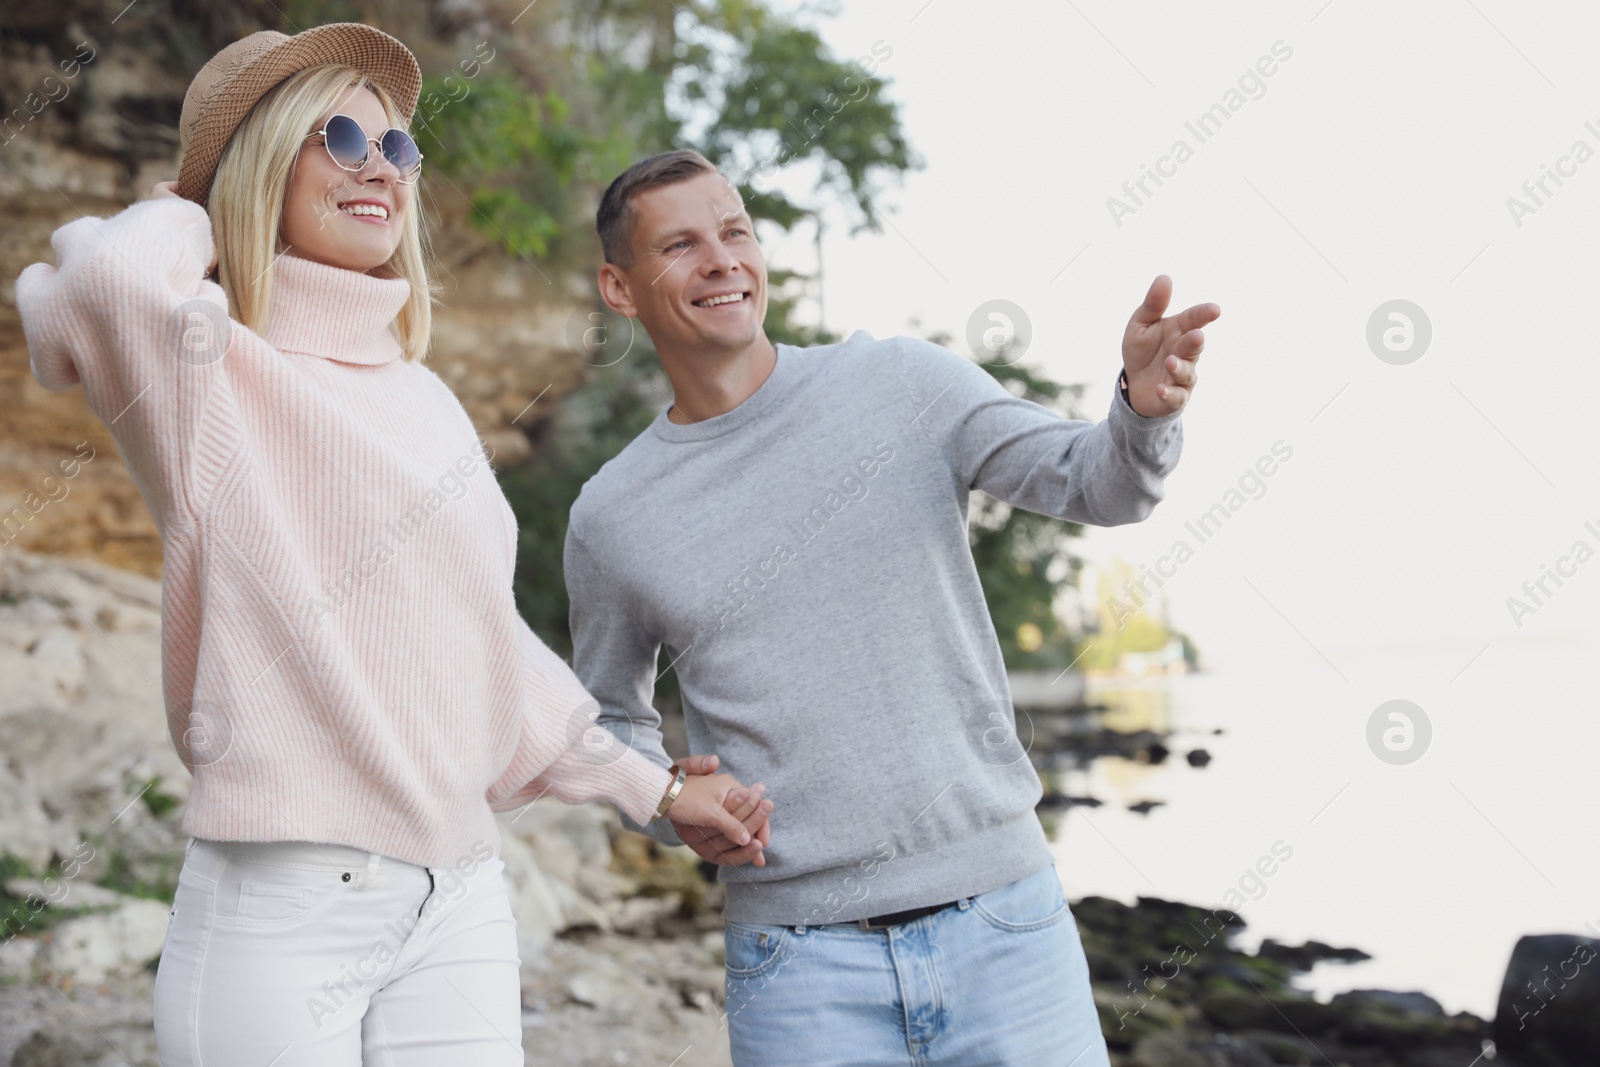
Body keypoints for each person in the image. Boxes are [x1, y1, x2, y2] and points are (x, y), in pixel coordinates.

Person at [15, 28, 770, 1065]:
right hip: (281, 906)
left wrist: (659, 790)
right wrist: (209, 180)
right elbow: (100, 281)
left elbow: (486, 649)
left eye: (400, 147)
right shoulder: (204, 365)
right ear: (264, 160)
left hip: (457, 890)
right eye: (336, 135)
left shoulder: (424, 398)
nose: (380, 166)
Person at [566, 147, 1219, 1066]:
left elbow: (1095, 484)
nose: (720, 259)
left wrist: (1142, 416)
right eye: (679, 245)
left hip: (1007, 929)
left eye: (734, 231)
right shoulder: (613, 515)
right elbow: (604, 720)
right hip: (796, 969)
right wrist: (667, 796)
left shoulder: (903, 385)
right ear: (620, 288)